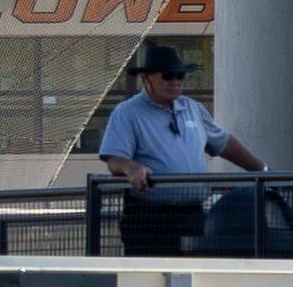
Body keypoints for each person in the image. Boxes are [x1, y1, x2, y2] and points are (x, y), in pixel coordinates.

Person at [90, 43, 270, 255]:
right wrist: (132, 168)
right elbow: (114, 159)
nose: (175, 82)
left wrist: (262, 170)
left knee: (196, 280)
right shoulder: (128, 113)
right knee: (151, 282)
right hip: (150, 221)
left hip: (193, 216)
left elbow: (224, 143)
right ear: (147, 78)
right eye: (168, 76)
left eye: (179, 76)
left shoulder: (193, 108)